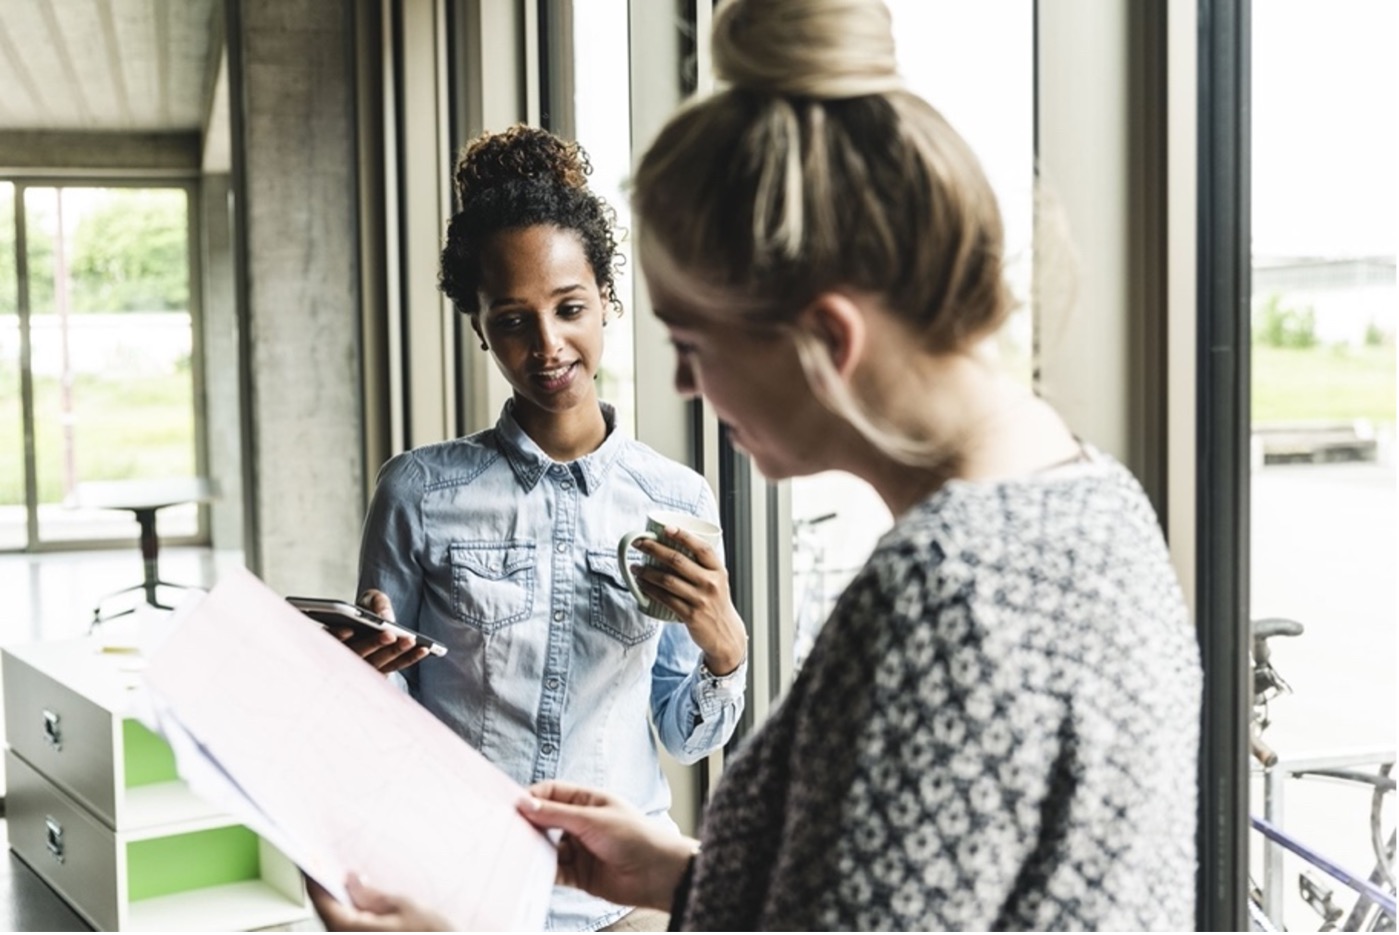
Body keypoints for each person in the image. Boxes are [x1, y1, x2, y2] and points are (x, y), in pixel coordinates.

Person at [312, 0, 1202, 930]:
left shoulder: (945, 592)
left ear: (824, 337)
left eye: (691, 340)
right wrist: (682, 878)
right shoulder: (1101, 500)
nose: (685, 383)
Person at [340, 124, 749, 932]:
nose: (548, 346)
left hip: (622, 901)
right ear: (479, 326)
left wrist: (724, 649)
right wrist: (359, 671)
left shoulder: (675, 496)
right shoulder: (416, 491)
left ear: (607, 300)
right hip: (459, 888)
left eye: (570, 309)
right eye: (513, 319)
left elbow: (683, 733)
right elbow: (383, 714)